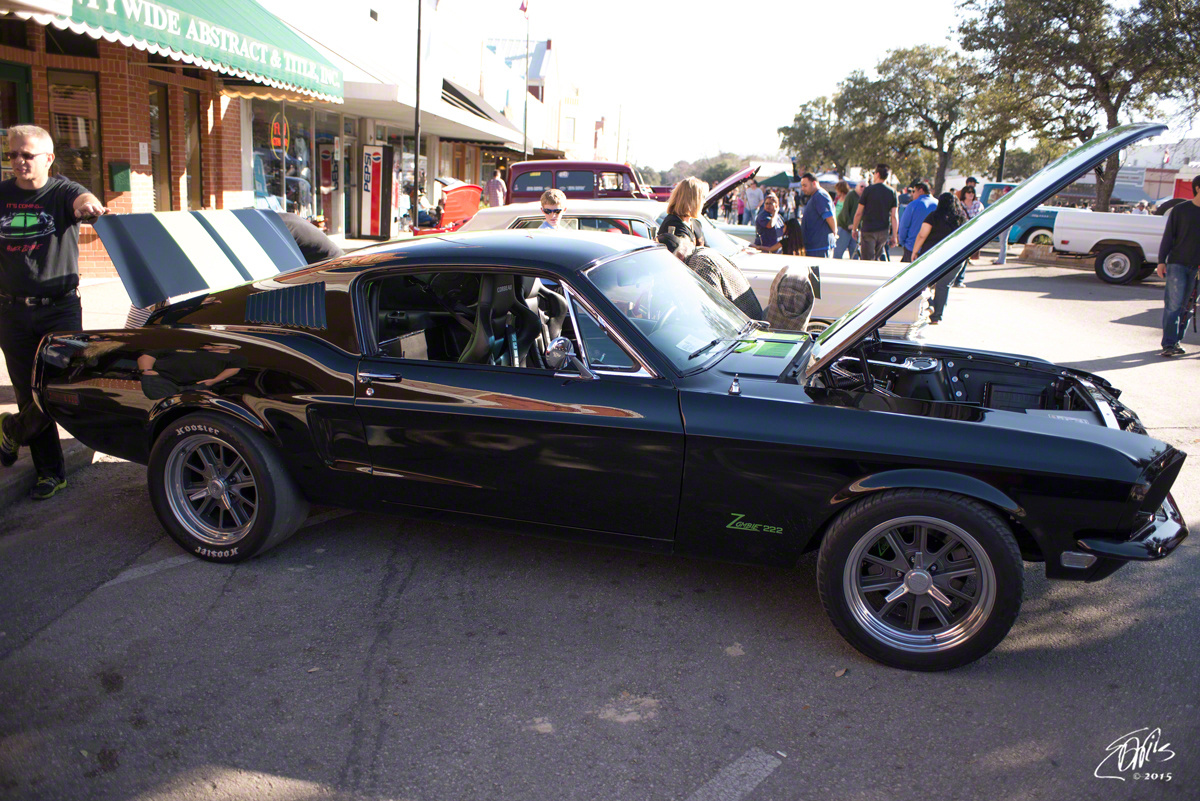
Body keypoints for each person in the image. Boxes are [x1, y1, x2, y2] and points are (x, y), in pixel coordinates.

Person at [0, 124, 107, 500]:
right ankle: (49, 473)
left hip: (59, 309)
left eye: (27, 155)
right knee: (27, 390)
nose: (19, 161)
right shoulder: (2, 194)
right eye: (12, 154)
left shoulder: (62, 191)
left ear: (48, 158)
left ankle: (13, 430)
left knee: (61, 384)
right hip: (11, 310)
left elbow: (84, 199)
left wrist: (89, 206)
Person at [1155, 174, 1200, 357]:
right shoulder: (1181, 210)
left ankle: (1177, 341)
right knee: (1173, 305)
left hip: (1197, 269)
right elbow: (1169, 236)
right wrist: (1161, 261)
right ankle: (1168, 344)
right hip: (1177, 264)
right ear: (1197, 188)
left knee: (1188, 307)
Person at [911, 192, 969, 324]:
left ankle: (930, 304)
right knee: (944, 286)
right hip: (955, 257)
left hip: (933, 256)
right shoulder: (961, 219)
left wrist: (915, 251)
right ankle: (936, 316)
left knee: (923, 283)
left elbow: (922, 235)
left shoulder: (934, 216)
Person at [852, 163, 899, 261]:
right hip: (883, 230)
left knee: (867, 259)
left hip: (869, 228)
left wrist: (854, 228)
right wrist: (894, 235)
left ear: (877, 174)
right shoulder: (892, 192)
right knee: (877, 258)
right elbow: (894, 216)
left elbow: (859, 212)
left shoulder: (868, 190)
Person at [656, 177, 706, 255]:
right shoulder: (673, 224)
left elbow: (707, 250)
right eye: (702, 197)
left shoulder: (696, 223)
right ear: (692, 200)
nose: (704, 201)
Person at [798, 173, 837, 257]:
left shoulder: (820, 195)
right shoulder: (815, 196)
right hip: (814, 246)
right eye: (802, 186)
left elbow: (829, 217)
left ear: (814, 183)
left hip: (819, 247)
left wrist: (834, 232)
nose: (802, 188)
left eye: (805, 185)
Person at [897, 181, 935, 262]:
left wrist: (902, 241)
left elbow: (904, 225)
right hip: (931, 247)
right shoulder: (937, 204)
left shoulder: (913, 205)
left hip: (912, 246)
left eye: (914, 191)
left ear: (921, 190)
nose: (912, 194)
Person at [834, 180, 859, 259]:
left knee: (851, 251)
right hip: (838, 224)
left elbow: (847, 212)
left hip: (845, 226)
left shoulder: (849, 198)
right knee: (838, 250)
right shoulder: (837, 199)